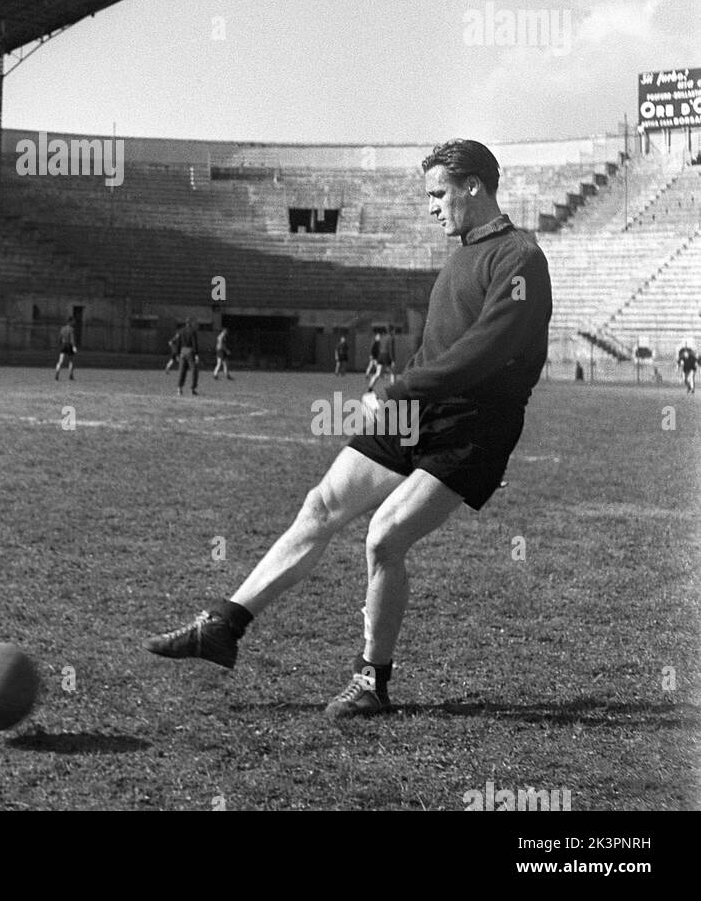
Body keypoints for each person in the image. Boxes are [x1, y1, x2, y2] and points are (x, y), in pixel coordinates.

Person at [144, 139, 552, 719]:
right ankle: (224, 624)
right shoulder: (464, 252)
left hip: (472, 429)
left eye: (438, 194)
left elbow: (484, 352)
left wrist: (393, 391)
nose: (431, 207)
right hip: (418, 411)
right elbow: (445, 348)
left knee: (384, 536)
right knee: (321, 505)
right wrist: (402, 395)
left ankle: (371, 682)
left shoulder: (520, 258)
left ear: (473, 187)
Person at [174, 318, 200, 395]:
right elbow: (194, 343)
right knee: (194, 371)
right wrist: (196, 355)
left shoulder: (181, 331)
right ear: (191, 323)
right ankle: (193, 389)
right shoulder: (193, 331)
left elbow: (178, 343)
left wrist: (177, 354)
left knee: (182, 371)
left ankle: (179, 389)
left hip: (182, 351)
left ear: (185, 323)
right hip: (190, 351)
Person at [54, 316, 77, 380]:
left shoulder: (62, 328)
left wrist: (58, 345)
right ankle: (71, 375)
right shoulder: (72, 329)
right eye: (73, 321)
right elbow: (72, 338)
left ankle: (57, 373)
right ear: (70, 321)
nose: (74, 322)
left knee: (60, 361)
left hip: (63, 345)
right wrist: (74, 346)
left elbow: (60, 338)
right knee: (71, 361)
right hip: (69, 345)